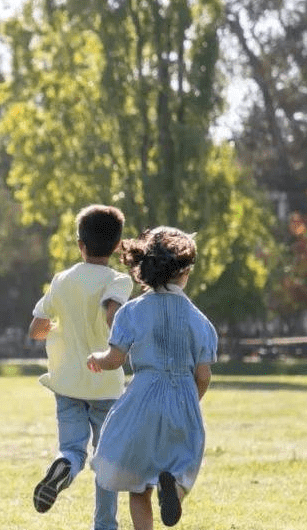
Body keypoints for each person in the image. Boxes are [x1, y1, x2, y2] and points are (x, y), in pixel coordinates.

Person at [86, 226, 217, 529]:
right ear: (184, 271)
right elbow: (203, 374)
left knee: (137, 482)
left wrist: (97, 359)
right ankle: (174, 490)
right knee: (184, 465)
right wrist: (188, 400)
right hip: (182, 397)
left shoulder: (131, 312)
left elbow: (115, 359)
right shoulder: (199, 320)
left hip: (142, 398)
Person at [28, 205, 132, 530]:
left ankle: (64, 465)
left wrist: (60, 328)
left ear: (80, 244)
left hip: (67, 382)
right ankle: (104, 525)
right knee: (107, 459)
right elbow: (112, 314)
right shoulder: (120, 280)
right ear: (117, 245)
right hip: (105, 384)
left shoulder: (62, 280)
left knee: (73, 448)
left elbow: (36, 329)